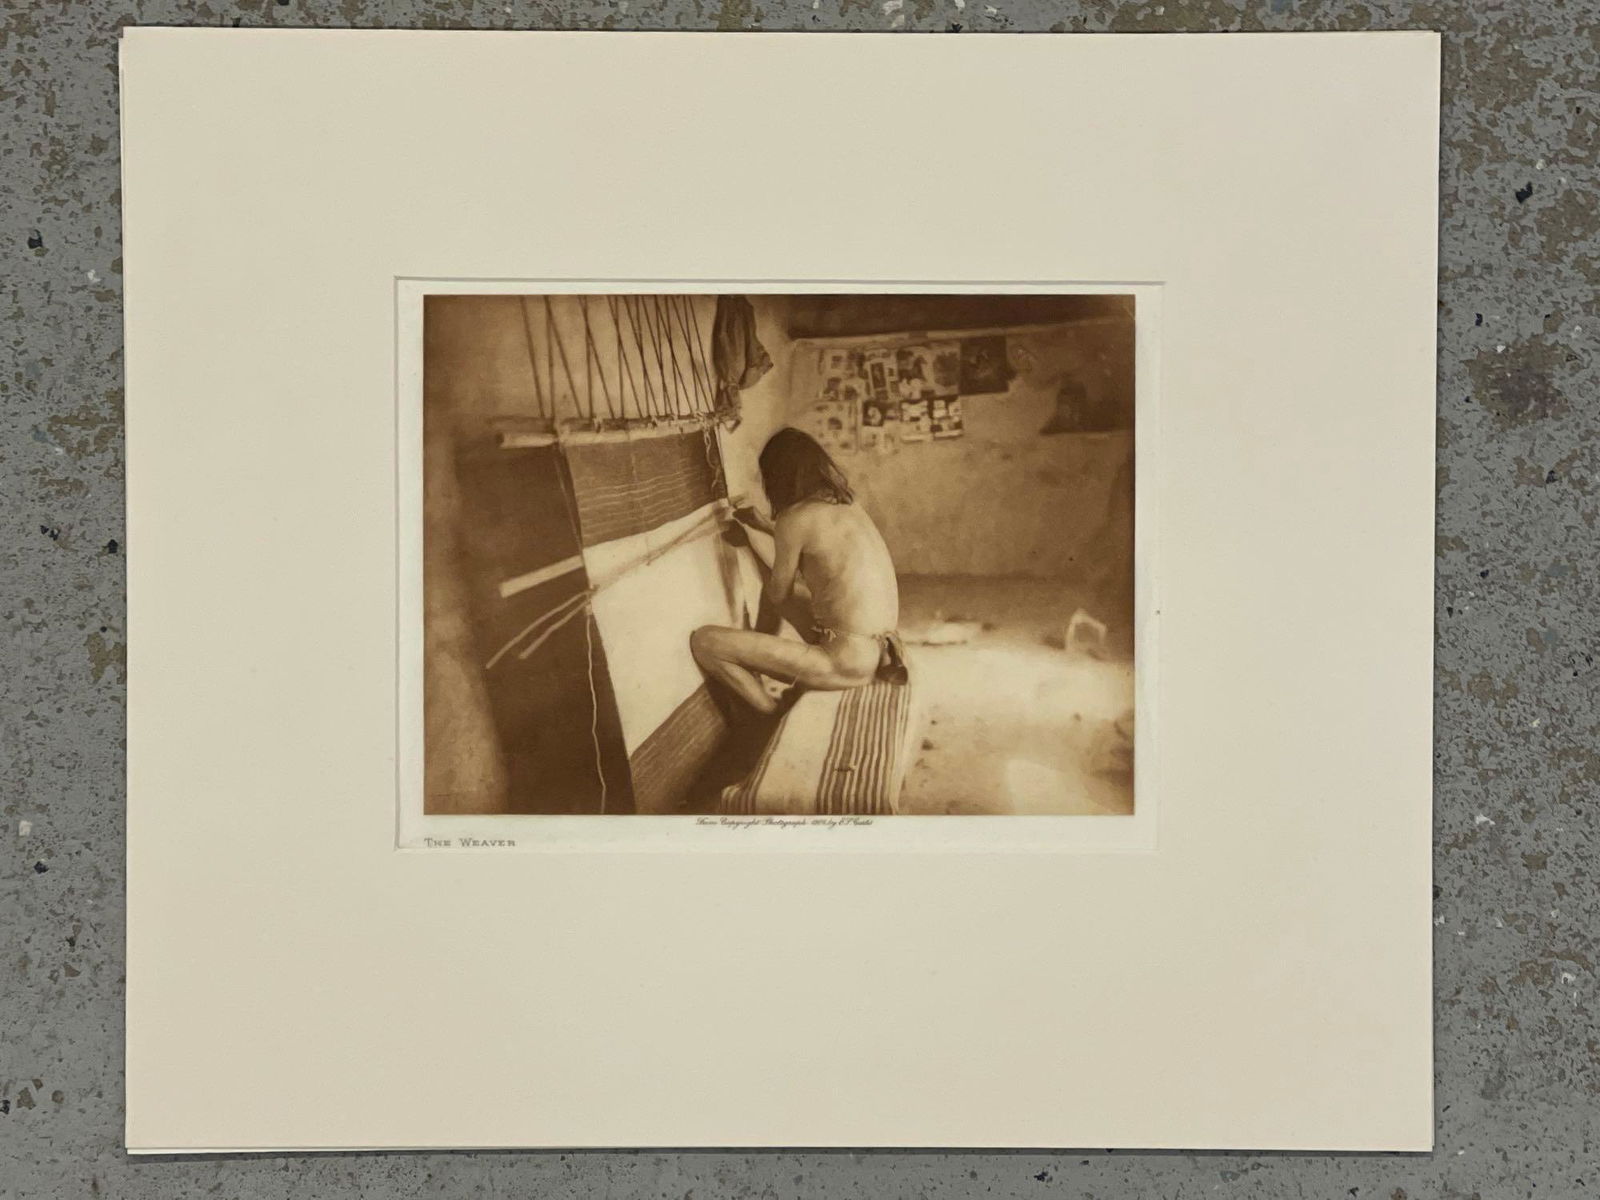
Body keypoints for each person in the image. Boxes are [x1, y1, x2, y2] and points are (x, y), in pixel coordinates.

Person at [690, 428, 904, 715]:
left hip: (846, 662)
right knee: (801, 600)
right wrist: (765, 527)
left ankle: (769, 713)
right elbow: (815, 548)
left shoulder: (795, 518)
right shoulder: (848, 506)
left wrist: (750, 545)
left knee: (705, 641)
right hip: (882, 652)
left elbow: (779, 595)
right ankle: (764, 657)